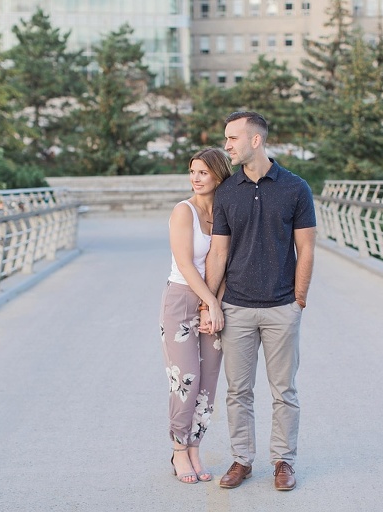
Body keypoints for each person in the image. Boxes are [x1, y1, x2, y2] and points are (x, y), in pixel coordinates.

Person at [202, 111, 316, 491]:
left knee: (284, 390)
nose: (227, 145)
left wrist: (298, 299)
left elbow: (306, 248)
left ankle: (284, 461)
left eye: (232, 138)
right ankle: (242, 460)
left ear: (256, 140)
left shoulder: (296, 188)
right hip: (237, 305)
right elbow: (218, 254)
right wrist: (209, 303)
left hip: (282, 305)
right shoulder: (227, 192)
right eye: (225, 138)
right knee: (238, 391)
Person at [159, 147, 231, 484]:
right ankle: (178, 449)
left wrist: (215, 302)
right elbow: (186, 265)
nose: (196, 178)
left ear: (218, 174)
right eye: (193, 171)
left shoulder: (225, 212)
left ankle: (195, 448)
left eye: (203, 172)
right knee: (184, 379)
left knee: (208, 382)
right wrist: (210, 304)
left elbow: (227, 263)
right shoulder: (182, 211)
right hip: (181, 300)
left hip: (213, 300)